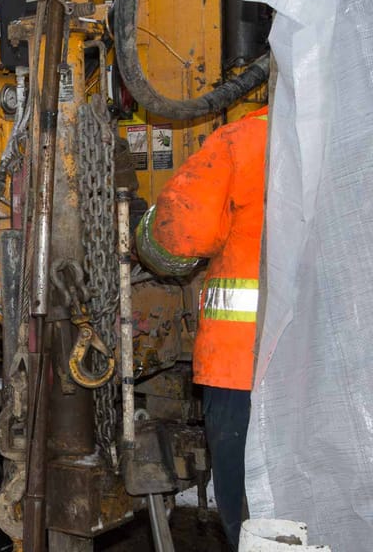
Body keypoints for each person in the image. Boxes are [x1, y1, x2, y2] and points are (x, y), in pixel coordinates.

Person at [135, 105, 268, 549]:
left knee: (252, 507)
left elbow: (180, 234)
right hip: (337, 364)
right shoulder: (353, 131)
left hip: (242, 361)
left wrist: (145, 241)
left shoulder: (244, 140)